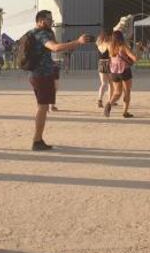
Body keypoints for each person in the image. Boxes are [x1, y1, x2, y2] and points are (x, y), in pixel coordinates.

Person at [29, 10, 90, 150]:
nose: (51, 21)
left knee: (43, 107)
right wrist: (78, 41)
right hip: (42, 75)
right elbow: (55, 48)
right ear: (40, 21)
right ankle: (37, 141)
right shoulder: (41, 34)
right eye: (49, 19)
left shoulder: (39, 33)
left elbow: (57, 46)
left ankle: (38, 139)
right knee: (43, 107)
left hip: (39, 74)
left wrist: (73, 45)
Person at [104, 30, 136, 118]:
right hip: (125, 71)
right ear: (121, 37)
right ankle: (125, 112)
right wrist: (137, 49)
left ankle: (109, 104)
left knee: (117, 92)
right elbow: (135, 58)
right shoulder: (123, 47)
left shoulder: (110, 46)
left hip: (114, 72)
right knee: (127, 92)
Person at [96, 30, 113, 108]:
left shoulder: (98, 44)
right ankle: (110, 101)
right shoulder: (109, 44)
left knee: (103, 83)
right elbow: (111, 55)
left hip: (101, 63)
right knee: (110, 83)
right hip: (108, 63)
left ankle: (99, 100)